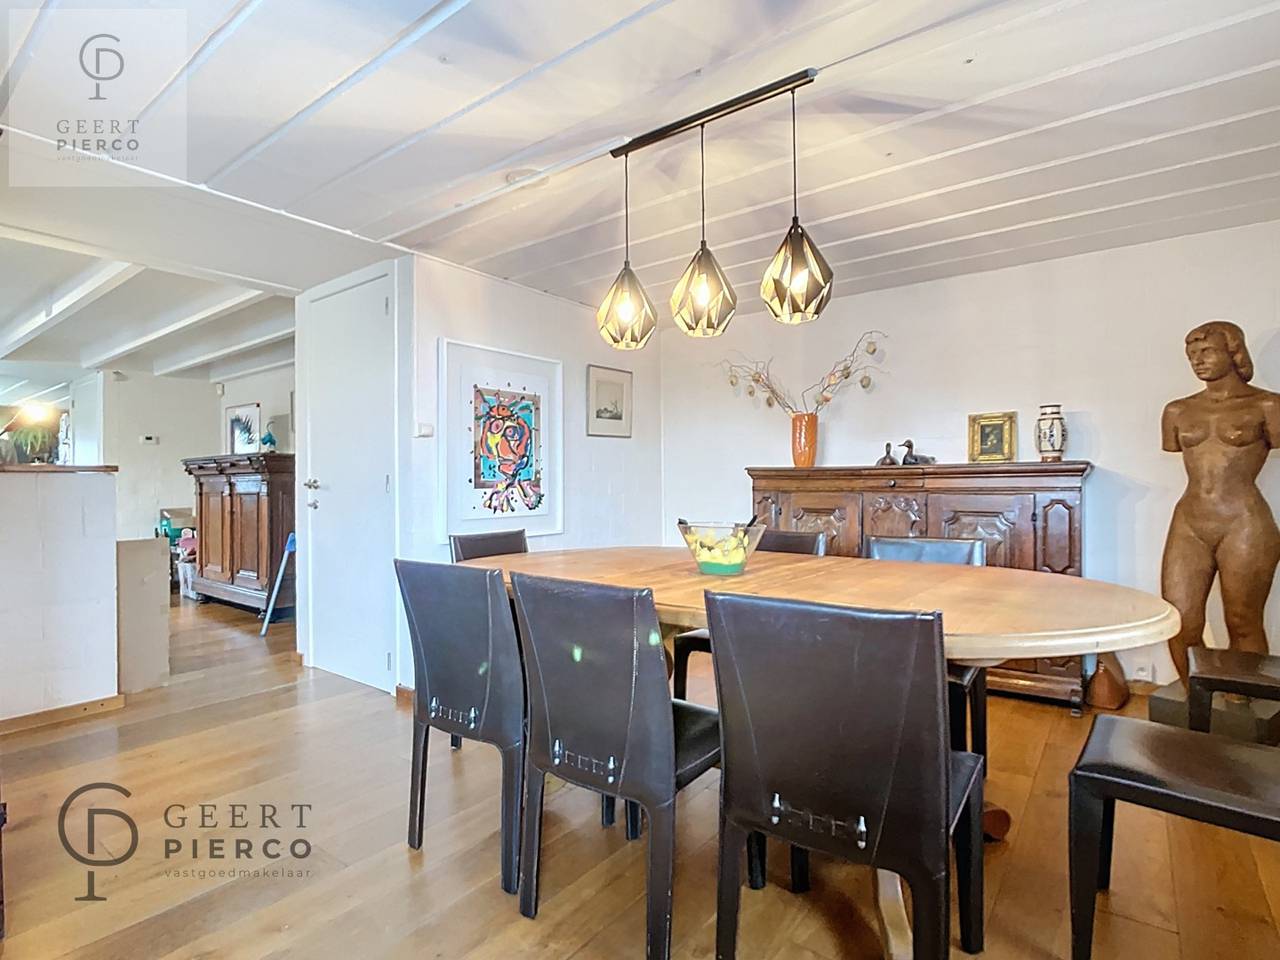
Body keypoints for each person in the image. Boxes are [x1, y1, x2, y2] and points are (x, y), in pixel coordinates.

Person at [1161, 320, 1280, 682]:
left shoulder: (1267, 404)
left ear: (1233, 351)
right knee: (1177, 619)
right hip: (1190, 520)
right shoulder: (1177, 410)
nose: (1197, 360)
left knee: (1243, 621)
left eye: (1207, 351)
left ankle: (1242, 701)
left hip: (1243, 520)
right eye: (1191, 354)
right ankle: (1195, 699)